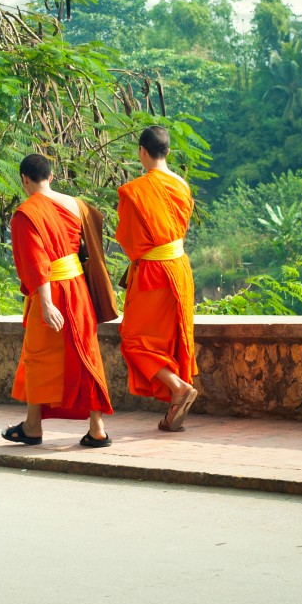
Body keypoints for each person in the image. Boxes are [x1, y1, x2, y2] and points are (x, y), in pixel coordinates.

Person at [1, 153, 114, 448]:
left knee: (37, 358)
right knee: (85, 353)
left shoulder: (26, 213)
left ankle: (33, 426)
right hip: (78, 288)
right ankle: (97, 428)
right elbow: (95, 230)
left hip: (49, 292)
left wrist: (48, 303)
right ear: (51, 177)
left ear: (25, 179)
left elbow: (37, 262)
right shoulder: (76, 205)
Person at [116, 125, 199, 432]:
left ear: (142, 151)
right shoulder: (182, 185)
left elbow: (128, 241)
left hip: (153, 271)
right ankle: (174, 406)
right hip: (179, 268)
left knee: (134, 339)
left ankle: (177, 387)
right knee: (172, 336)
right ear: (168, 152)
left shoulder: (135, 191)